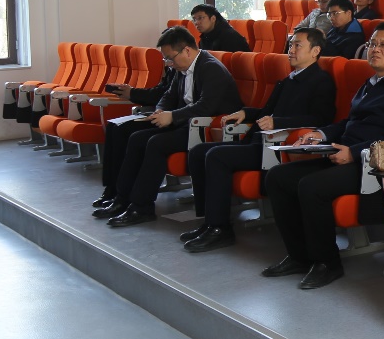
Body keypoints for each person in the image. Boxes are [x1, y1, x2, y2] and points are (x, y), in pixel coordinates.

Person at [263, 22, 384, 289]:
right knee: (278, 177)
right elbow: (349, 123)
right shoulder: (371, 83)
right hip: (343, 154)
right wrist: (321, 134)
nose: (375, 49)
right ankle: (298, 256)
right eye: (372, 44)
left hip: (373, 165)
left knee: (311, 186)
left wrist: (353, 153)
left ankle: (327, 263)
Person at [181, 28, 338, 252]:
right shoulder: (288, 80)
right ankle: (208, 221)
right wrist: (245, 112)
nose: (291, 50)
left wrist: (278, 122)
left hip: (276, 146)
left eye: (298, 45)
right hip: (258, 139)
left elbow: (320, 119)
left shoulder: (321, 81)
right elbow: (266, 112)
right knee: (198, 151)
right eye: (291, 45)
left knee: (216, 156)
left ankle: (220, 228)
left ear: (315, 51)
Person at [95, 26, 244, 227]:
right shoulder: (181, 68)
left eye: (170, 58)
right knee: (137, 138)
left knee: (156, 143)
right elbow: (168, 96)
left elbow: (206, 107)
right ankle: (122, 198)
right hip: (186, 122)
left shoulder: (211, 68)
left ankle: (141, 207)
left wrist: (172, 116)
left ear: (187, 50)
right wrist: (160, 111)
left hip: (207, 128)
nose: (169, 64)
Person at [95, 55, 179, 209]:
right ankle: (112, 187)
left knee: (128, 133)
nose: (166, 62)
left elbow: (164, 94)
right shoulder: (175, 67)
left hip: (174, 117)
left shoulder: (189, 67)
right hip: (161, 112)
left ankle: (123, 193)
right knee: (114, 126)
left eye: (168, 57)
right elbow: (164, 92)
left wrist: (132, 93)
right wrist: (132, 92)